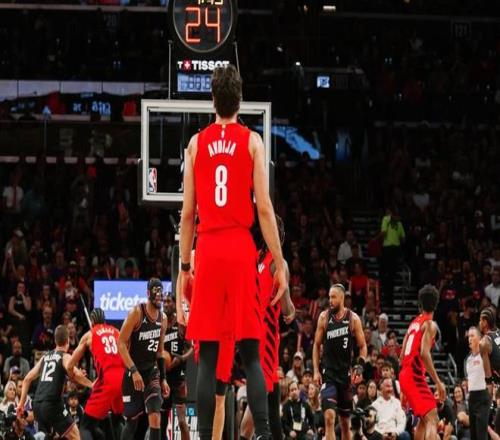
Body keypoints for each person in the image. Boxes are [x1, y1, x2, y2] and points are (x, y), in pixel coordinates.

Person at [178, 64, 287, 440]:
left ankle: (204, 436)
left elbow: (187, 214)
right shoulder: (253, 141)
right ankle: (266, 434)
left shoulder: (195, 144)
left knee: (207, 356)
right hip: (241, 247)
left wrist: (185, 266)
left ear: (212, 100)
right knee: (252, 353)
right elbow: (265, 209)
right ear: (240, 100)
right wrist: (280, 262)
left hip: (208, 247)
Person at [240, 216, 296, 440]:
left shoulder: (256, 257)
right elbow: (287, 310)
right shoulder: (279, 263)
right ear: (281, 236)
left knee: (270, 405)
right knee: (261, 399)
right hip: (266, 335)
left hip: (250, 330)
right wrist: (291, 309)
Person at [17, 325, 93, 440]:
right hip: (52, 404)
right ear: (68, 341)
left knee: (52, 436)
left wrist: (21, 404)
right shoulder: (65, 356)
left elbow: (27, 379)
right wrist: (92, 385)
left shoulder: (45, 357)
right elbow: (75, 374)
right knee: (75, 436)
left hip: (37, 406)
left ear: (55, 341)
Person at [312, 284, 368, 440]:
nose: (330, 300)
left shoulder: (353, 319)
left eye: (333, 297)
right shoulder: (324, 317)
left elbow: (363, 346)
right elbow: (316, 345)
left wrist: (360, 367)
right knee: (329, 417)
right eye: (329, 297)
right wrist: (316, 370)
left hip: (345, 376)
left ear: (342, 298)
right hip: (328, 374)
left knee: (344, 423)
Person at [118, 278, 170, 440]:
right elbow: (120, 343)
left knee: (155, 415)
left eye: (161, 294)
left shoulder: (163, 319)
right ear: (148, 294)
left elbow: (160, 352)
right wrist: (133, 371)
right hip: (133, 371)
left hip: (151, 372)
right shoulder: (136, 313)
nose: (159, 297)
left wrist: (163, 379)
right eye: (156, 293)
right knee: (132, 422)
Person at [67, 307, 125, 440]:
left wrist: (73, 376)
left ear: (92, 321)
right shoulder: (116, 332)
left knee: (85, 426)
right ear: (104, 320)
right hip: (123, 379)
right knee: (117, 420)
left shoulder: (90, 335)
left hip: (107, 380)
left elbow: (70, 365)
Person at [399, 284, 446, 440]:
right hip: (413, 376)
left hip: (405, 374)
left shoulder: (414, 323)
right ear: (436, 304)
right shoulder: (430, 324)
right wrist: (438, 382)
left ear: (420, 303)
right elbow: (424, 354)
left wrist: (403, 389)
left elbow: (401, 356)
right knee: (433, 418)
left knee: (424, 421)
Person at [162, 294, 193, 440]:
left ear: (175, 305)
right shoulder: (160, 325)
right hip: (164, 379)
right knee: (161, 422)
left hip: (179, 379)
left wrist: (182, 358)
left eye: (168, 301)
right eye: (164, 301)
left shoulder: (181, 324)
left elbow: (191, 347)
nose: (165, 304)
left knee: (181, 422)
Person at [466, 326, 492, 440]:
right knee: (473, 435)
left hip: (482, 396)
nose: (469, 338)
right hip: (472, 397)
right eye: (469, 336)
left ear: (479, 338)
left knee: (481, 434)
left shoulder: (484, 354)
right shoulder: (468, 359)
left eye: (472, 336)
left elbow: (488, 345)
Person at [478, 306, 500, 380]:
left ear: (485, 322)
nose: (479, 323)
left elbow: (488, 376)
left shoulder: (484, 342)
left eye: (480, 320)